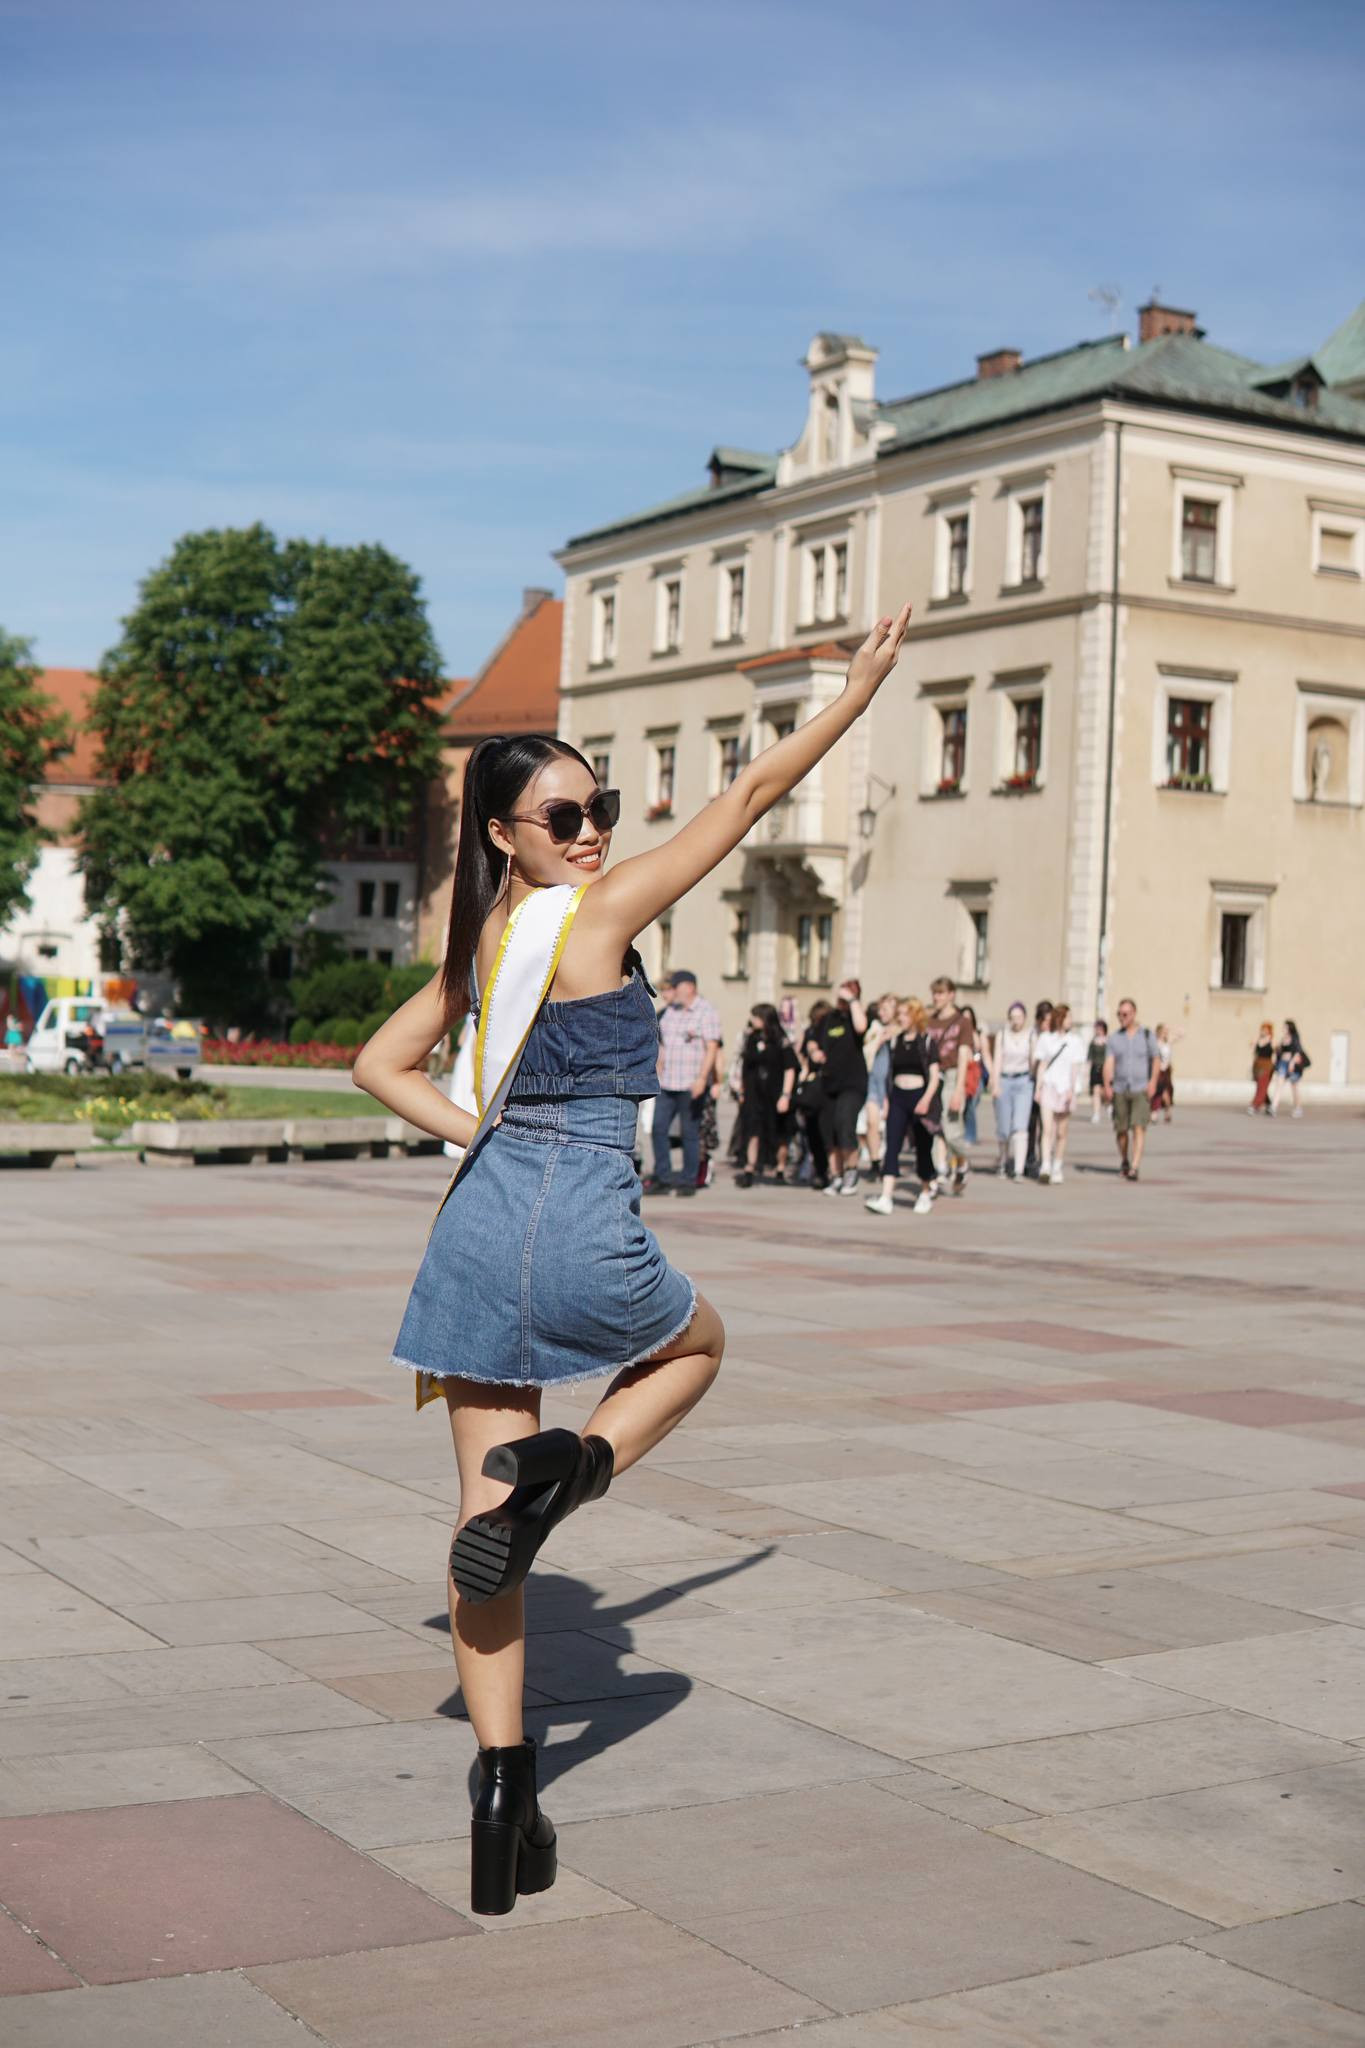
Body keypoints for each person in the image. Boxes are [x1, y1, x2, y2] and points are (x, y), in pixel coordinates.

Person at [354, 604, 911, 1915]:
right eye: (564, 817)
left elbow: (377, 1066)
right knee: (699, 1345)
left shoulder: (479, 949)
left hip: (477, 1225)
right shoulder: (599, 918)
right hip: (581, 1205)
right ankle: (581, 1471)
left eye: (598, 806)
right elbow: (758, 789)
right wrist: (860, 691)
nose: (594, 830)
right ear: (506, 835)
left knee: (477, 1522)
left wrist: (471, 1122)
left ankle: (502, 1792)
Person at [645, 970, 721, 1196]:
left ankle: (689, 1180)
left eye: (675, 986)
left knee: (690, 1132)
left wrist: (703, 1079)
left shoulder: (706, 1013)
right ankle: (663, 1176)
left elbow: (712, 1048)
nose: (671, 991)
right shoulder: (669, 1013)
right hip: (667, 1082)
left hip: (691, 1083)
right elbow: (663, 1045)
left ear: (688, 987)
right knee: (659, 1129)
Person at [865, 998, 941, 1217]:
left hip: (919, 1097)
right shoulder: (895, 1042)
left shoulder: (927, 1042)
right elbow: (889, 1074)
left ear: (916, 1016)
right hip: (898, 1097)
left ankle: (925, 1191)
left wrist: (926, 1100)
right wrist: (887, 1101)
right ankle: (886, 1196)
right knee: (892, 1145)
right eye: (899, 1014)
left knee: (923, 1147)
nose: (901, 1018)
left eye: (905, 1014)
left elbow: (934, 1077)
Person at [811, 979, 869, 1196]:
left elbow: (861, 1028)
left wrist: (853, 1001)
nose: (841, 999)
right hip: (829, 1082)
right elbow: (812, 1039)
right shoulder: (829, 1019)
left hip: (852, 1083)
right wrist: (814, 1050)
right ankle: (836, 1175)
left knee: (845, 1123)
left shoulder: (857, 1016)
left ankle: (851, 1171)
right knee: (829, 1130)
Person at [735, 1004, 797, 1186]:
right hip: (755, 1093)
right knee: (753, 1130)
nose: (753, 1020)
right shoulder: (752, 1038)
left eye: (756, 1017)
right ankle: (749, 1167)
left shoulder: (780, 1039)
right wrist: (742, 1090)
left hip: (775, 1093)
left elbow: (790, 1068)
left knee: (779, 1132)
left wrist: (786, 1095)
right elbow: (745, 1066)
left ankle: (780, 1167)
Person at [926, 975, 974, 1195]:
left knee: (952, 1129)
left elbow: (964, 1055)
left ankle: (962, 1161)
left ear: (951, 995)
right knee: (933, 1127)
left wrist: (959, 1089)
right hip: (934, 1075)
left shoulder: (962, 1022)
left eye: (941, 993)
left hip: (953, 1074)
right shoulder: (930, 1021)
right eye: (934, 993)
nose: (936, 997)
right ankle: (939, 1171)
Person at [1102, 997, 1159, 1182]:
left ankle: (1134, 1166)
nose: (1122, 1017)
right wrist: (1107, 1085)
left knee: (1138, 1127)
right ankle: (1124, 1160)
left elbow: (1156, 1059)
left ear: (1134, 1014)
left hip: (1140, 1088)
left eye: (1125, 1014)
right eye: (1119, 1014)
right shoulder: (1114, 1038)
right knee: (1121, 1130)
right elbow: (1109, 1063)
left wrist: (1153, 1082)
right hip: (1119, 1088)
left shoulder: (1147, 1035)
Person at [1032, 1001, 1080, 1184]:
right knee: (1047, 1129)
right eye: (1068, 1017)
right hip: (1049, 1086)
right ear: (1060, 1018)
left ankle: (1057, 1165)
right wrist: (1038, 1087)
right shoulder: (1046, 1039)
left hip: (1065, 1088)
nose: (1071, 1020)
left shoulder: (1075, 1041)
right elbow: (1042, 1065)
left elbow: (1075, 1067)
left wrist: (1072, 1089)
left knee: (1062, 1131)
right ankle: (1045, 1165)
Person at [990, 1001, 1034, 1180]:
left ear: (1025, 1018)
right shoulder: (1002, 1035)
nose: (1016, 1021)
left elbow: (1034, 1061)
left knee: (1020, 1126)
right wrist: (995, 1083)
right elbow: (997, 1060)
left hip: (1024, 1081)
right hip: (1005, 1080)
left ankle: (1018, 1169)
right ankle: (1002, 1161)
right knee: (1003, 1127)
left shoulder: (1031, 1035)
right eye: (1013, 1017)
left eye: (1019, 1017)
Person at [794, 999, 833, 1187]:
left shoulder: (833, 1033)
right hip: (812, 1085)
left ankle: (830, 1171)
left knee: (826, 1131)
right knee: (811, 1131)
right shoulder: (810, 1032)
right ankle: (820, 1169)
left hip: (828, 1085)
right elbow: (800, 1055)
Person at [862, 992, 899, 1178]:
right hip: (873, 1081)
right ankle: (875, 1161)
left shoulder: (901, 1030)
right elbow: (866, 1051)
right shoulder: (874, 1029)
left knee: (893, 1126)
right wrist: (878, 1040)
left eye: (885, 1009)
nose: (881, 1013)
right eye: (880, 1009)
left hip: (892, 1084)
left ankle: (891, 1161)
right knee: (871, 1122)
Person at [1023, 999, 1053, 1178]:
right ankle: (1030, 1157)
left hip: (1050, 1083)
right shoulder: (1033, 1035)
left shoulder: (1054, 1036)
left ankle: (1045, 1159)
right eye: (1045, 1021)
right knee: (1031, 1123)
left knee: (1047, 1125)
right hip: (1032, 1081)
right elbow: (1031, 1061)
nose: (1047, 1025)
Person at [1269, 1020, 1309, 1118]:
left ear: (1290, 1028)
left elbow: (1298, 1051)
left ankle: (1298, 1108)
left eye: (1285, 1027)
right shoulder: (1283, 1039)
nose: (1283, 1029)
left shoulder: (1295, 1038)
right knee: (1279, 1084)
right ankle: (1273, 1107)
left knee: (1294, 1087)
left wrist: (1292, 1062)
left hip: (1292, 1065)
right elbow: (1279, 1051)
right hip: (1282, 1064)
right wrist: (1275, 1053)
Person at [960, 1004, 985, 1145]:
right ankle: (963, 1133)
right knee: (963, 1107)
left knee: (971, 1106)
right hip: (962, 1073)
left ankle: (970, 1135)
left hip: (975, 1074)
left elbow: (981, 1051)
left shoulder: (977, 1034)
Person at [1151, 1023, 1179, 1123]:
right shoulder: (1155, 1043)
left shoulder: (1168, 1043)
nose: (1165, 1033)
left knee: (1167, 1093)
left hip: (1166, 1071)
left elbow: (1179, 1035)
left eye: (1166, 1031)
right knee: (1157, 1092)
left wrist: (1172, 1029)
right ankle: (1154, 1113)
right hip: (1158, 1070)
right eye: (1164, 1031)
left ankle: (1167, 1110)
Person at [1249, 1022, 1276, 1115]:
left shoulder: (1271, 1041)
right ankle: (1269, 1104)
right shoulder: (1259, 1040)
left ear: (1269, 1031)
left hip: (1267, 1065)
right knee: (1261, 1086)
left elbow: (1275, 1054)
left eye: (1265, 1030)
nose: (1263, 1031)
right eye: (1262, 1029)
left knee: (1262, 1085)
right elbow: (1253, 1051)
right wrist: (1255, 1042)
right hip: (1257, 1065)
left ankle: (1255, 1105)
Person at [1087, 1019, 1109, 1123]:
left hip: (1106, 1068)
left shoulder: (1108, 1042)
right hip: (1095, 1068)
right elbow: (1090, 1057)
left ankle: (1108, 1104)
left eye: (1100, 1029)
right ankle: (1096, 1113)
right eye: (1097, 1029)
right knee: (1095, 1090)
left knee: (1104, 1091)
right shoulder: (1093, 1042)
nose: (1098, 1031)